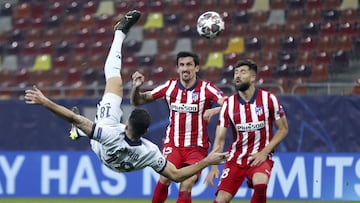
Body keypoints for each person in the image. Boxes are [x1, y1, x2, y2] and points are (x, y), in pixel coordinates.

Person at [24, 10, 229, 182]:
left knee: (114, 83)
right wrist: (207, 162)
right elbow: (176, 175)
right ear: (146, 131)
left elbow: (72, 116)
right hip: (122, 163)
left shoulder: (110, 133)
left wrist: (44, 101)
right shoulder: (150, 151)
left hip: (107, 145)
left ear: (126, 122)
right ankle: (79, 133)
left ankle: (119, 33)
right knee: (89, 127)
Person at [131, 51, 227, 203]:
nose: (185, 68)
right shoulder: (170, 87)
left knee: (186, 184)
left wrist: (215, 110)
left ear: (197, 68)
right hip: (173, 144)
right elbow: (138, 101)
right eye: (181, 65)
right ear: (177, 69)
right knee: (164, 178)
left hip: (197, 148)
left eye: (189, 64)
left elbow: (231, 104)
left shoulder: (207, 88)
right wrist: (136, 88)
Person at [204, 60, 289, 203]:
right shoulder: (228, 105)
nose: (237, 76)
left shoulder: (269, 99)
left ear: (253, 77)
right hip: (235, 159)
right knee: (221, 200)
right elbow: (220, 138)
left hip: (260, 156)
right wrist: (213, 166)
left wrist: (265, 151)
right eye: (236, 72)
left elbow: (283, 129)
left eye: (243, 72)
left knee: (261, 184)